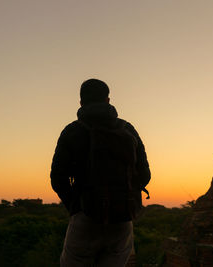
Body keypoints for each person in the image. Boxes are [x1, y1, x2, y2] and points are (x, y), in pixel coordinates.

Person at [51, 79, 151, 266]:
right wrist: (125, 196)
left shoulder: (72, 131)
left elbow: (57, 178)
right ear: (108, 100)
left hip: (86, 216)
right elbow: (145, 175)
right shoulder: (126, 129)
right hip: (122, 217)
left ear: (81, 103)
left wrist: (76, 207)